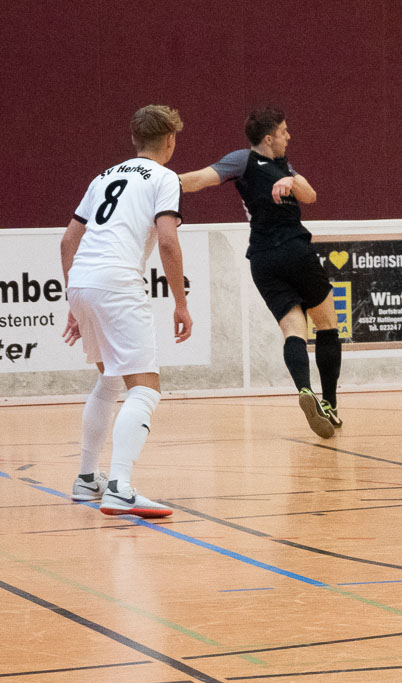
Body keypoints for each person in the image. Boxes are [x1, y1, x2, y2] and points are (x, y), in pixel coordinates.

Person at [61, 104, 192, 518]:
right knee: (145, 388)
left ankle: (87, 479)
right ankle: (119, 487)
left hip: (82, 280)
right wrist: (181, 303)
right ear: (169, 140)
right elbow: (167, 241)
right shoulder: (165, 178)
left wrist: (74, 301)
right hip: (117, 284)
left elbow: (68, 241)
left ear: (135, 139)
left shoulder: (103, 177)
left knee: (110, 380)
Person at [178, 108, 341, 438]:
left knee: (293, 328)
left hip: (263, 260)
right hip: (295, 251)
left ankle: (304, 389)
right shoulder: (244, 159)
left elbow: (309, 195)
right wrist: (161, 179)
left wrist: (291, 179)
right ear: (268, 139)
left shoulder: (284, 167)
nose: (288, 136)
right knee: (327, 325)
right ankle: (329, 404)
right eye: (283, 131)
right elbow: (198, 179)